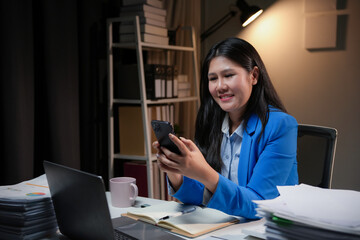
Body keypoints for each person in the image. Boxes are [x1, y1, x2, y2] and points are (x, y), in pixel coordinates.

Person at [153, 37, 298, 219]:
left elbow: (259, 205)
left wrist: (203, 172)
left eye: (228, 75)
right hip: (223, 228)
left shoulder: (280, 126)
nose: (220, 86)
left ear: (253, 76)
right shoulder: (213, 123)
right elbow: (204, 196)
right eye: (213, 78)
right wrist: (177, 173)